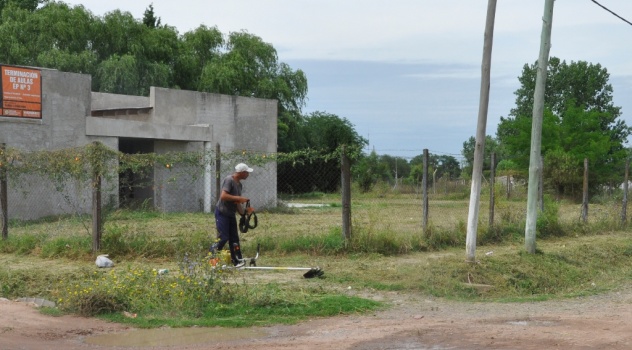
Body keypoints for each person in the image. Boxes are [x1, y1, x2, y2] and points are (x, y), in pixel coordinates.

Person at [210, 162, 256, 267]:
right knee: (223, 237)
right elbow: (223, 196)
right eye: (247, 173)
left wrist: (244, 213)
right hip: (222, 212)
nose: (248, 175)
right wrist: (240, 198)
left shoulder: (239, 185)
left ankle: (237, 261)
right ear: (241, 172)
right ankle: (211, 259)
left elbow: (237, 204)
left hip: (230, 214)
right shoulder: (229, 180)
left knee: (234, 238)